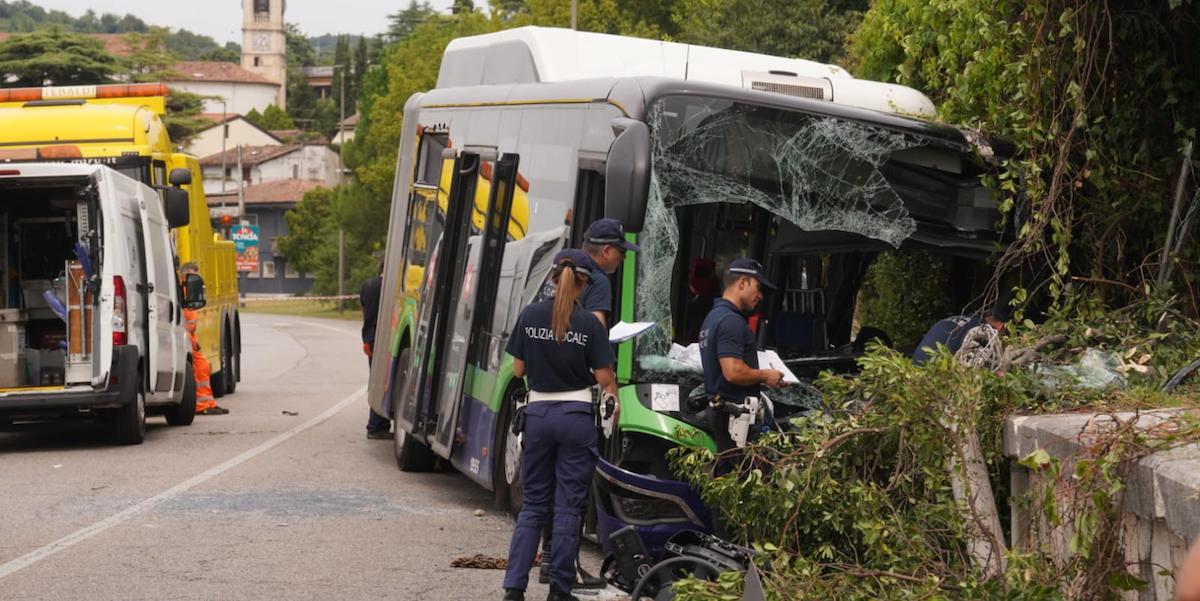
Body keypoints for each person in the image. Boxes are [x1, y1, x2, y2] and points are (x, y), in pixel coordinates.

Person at [501, 249, 618, 601]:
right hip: (575, 417)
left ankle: (513, 588)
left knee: (534, 505)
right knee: (568, 506)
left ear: (553, 278)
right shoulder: (589, 324)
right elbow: (603, 376)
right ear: (584, 283)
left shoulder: (530, 315)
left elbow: (518, 371)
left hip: (537, 417)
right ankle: (559, 589)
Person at [698, 258, 784, 452]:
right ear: (742, 282)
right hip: (734, 421)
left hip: (723, 415)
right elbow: (733, 372)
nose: (760, 296)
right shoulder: (731, 321)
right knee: (739, 475)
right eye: (758, 288)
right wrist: (765, 375)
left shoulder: (713, 317)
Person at [181, 263, 226, 416]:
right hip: (184, 339)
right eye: (195, 276)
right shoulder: (181, 293)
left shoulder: (188, 293)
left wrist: (194, 339)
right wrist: (189, 338)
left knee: (203, 367)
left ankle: (208, 403)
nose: (198, 279)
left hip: (190, 339)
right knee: (200, 369)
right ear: (185, 276)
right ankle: (202, 405)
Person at [911, 308, 1008, 364]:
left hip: (913, 368)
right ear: (1001, 326)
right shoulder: (982, 330)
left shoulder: (957, 319)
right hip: (933, 371)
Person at [362, 257, 391, 440]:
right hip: (382, 337)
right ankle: (375, 425)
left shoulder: (367, 285)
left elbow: (364, 308)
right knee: (383, 380)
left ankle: (380, 423)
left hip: (369, 337)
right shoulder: (387, 287)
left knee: (376, 377)